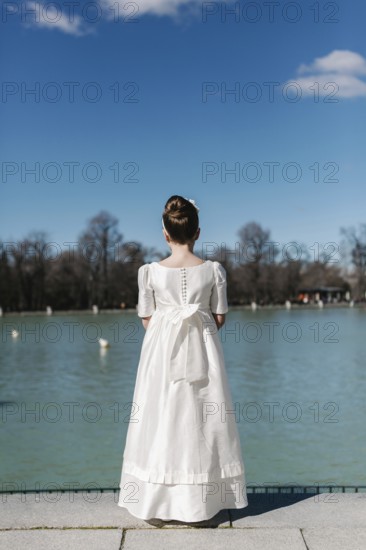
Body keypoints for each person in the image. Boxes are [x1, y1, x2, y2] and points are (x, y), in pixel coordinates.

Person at [117, 195, 248, 523]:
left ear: (164, 233)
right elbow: (219, 318)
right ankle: (201, 504)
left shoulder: (148, 272)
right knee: (203, 421)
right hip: (204, 353)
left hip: (161, 355)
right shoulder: (214, 270)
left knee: (160, 420)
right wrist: (195, 325)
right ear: (198, 232)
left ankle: (156, 502)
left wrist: (170, 324)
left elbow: (146, 319)